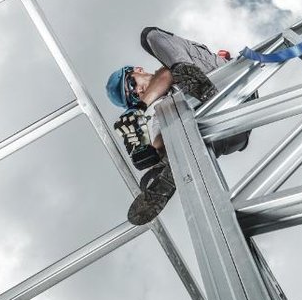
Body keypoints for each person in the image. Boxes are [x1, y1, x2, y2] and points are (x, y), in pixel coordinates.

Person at [106, 27, 250, 224]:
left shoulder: (166, 70)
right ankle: (165, 173)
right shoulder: (162, 111)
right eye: (133, 96)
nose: (137, 91)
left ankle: (202, 88)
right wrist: (145, 150)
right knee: (166, 117)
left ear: (137, 70)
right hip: (228, 133)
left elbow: (167, 75)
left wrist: (139, 108)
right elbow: (161, 135)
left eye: (132, 84)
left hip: (226, 79)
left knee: (149, 36)